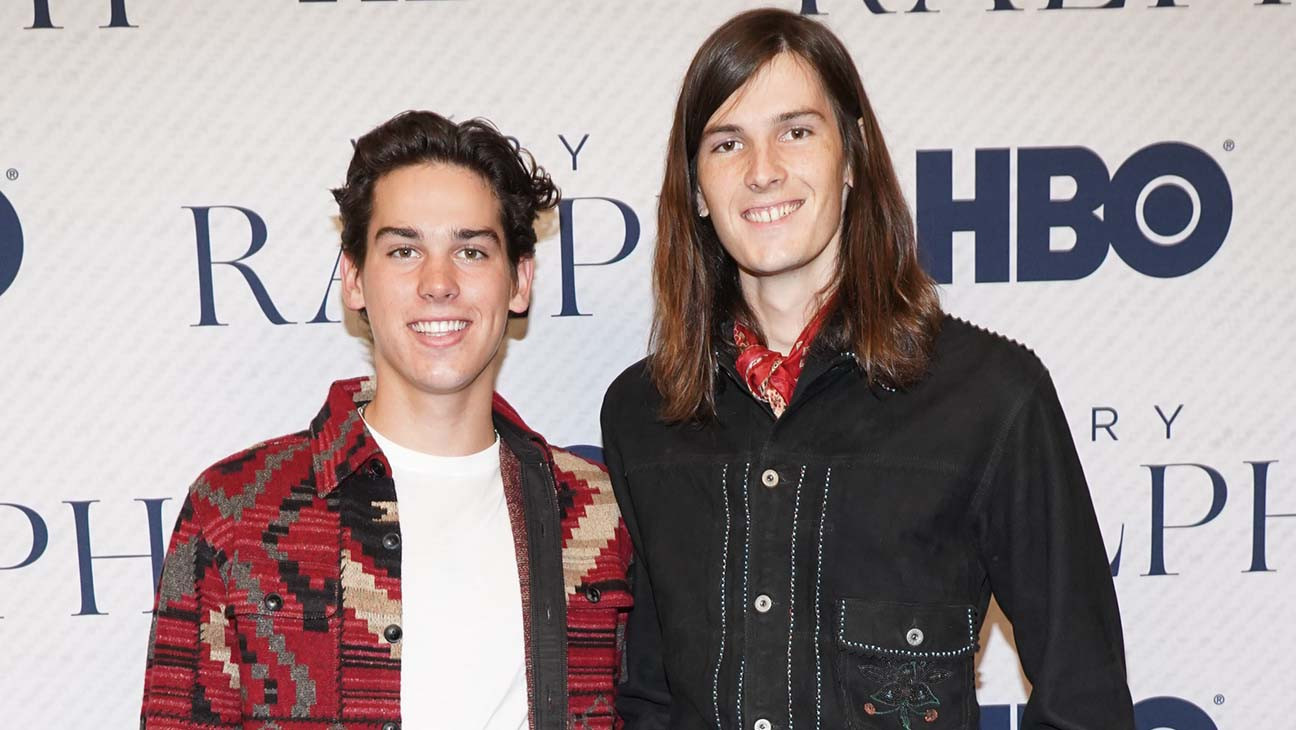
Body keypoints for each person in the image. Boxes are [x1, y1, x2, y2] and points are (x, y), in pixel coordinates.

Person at [601, 9, 1134, 730]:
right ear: (696, 188)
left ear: (851, 157)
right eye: (727, 143)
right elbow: (649, 698)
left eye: (796, 132)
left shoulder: (992, 397)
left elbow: (1085, 699)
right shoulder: (643, 412)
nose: (763, 171)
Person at [141, 110, 631, 730]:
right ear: (353, 279)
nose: (438, 283)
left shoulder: (597, 511)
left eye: (471, 251)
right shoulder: (234, 510)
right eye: (404, 250)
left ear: (519, 282)